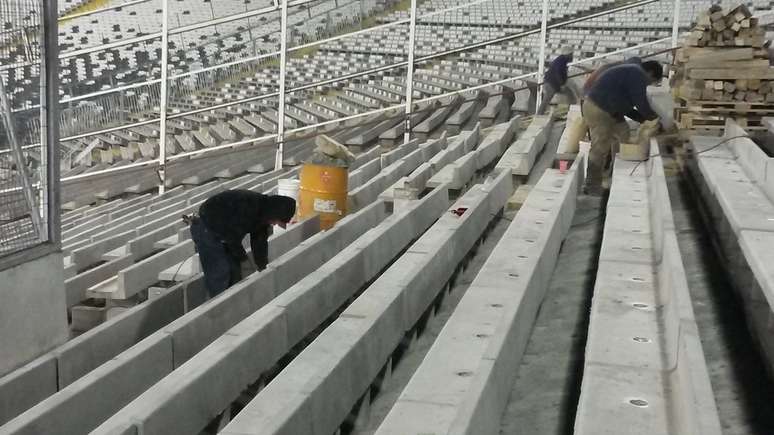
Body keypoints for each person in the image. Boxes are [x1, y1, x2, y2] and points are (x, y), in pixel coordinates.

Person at [186, 190, 296, 298]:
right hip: (206, 227)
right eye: (276, 221)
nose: (274, 224)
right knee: (220, 274)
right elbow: (232, 238)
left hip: (224, 231)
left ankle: (232, 306)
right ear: (274, 213)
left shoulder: (264, 215)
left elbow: (259, 243)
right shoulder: (249, 207)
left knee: (235, 274)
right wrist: (245, 261)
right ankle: (219, 311)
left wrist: (262, 267)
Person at [582, 60, 663, 195]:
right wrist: (654, 118)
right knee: (600, 147)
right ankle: (592, 185)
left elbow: (626, 108)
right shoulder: (638, 74)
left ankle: (614, 173)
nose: (648, 84)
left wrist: (644, 119)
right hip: (599, 109)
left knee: (624, 134)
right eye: (651, 80)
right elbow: (641, 103)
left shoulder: (632, 72)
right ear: (650, 73)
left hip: (610, 109)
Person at [537, 46, 583, 115]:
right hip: (552, 84)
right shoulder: (562, 61)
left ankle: (571, 109)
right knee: (546, 100)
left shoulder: (561, 60)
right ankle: (539, 114)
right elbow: (558, 72)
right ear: (568, 54)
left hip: (553, 83)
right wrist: (562, 84)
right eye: (571, 55)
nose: (572, 57)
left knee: (569, 93)